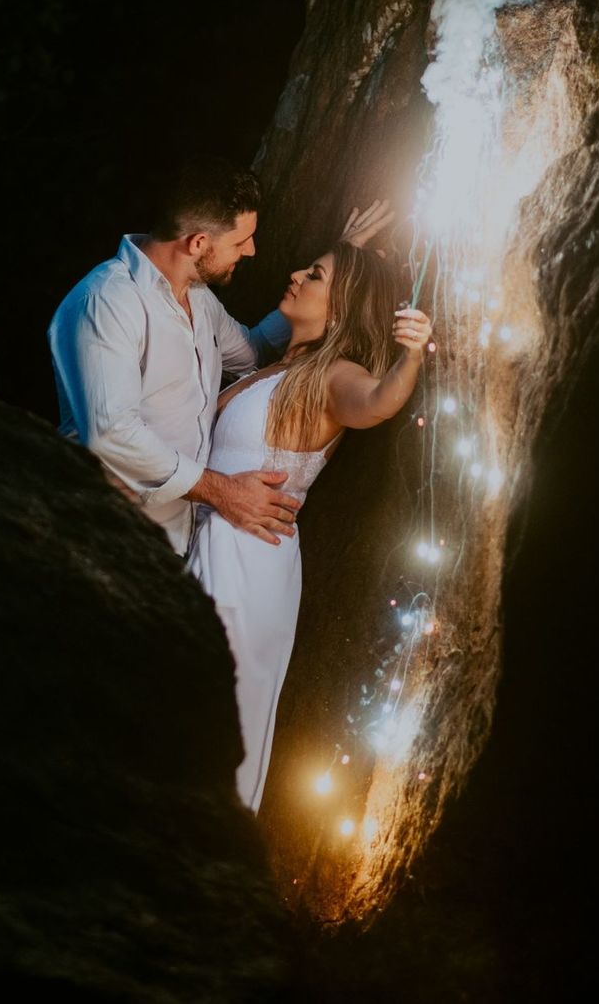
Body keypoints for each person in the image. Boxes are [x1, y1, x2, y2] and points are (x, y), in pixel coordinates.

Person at [187, 241, 431, 812]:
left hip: (249, 562)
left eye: (315, 275)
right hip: (214, 541)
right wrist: (351, 243)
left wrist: (411, 358)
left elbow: (376, 401)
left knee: (207, 726)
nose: (296, 273)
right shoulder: (278, 366)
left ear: (341, 308)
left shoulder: (335, 377)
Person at [47, 160, 392, 555]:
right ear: (198, 243)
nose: (251, 250)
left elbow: (254, 351)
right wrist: (222, 491)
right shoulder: (107, 301)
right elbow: (111, 432)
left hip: (173, 543)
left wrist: (338, 271)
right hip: (101, 534)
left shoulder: (199, 299)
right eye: (240, 241)